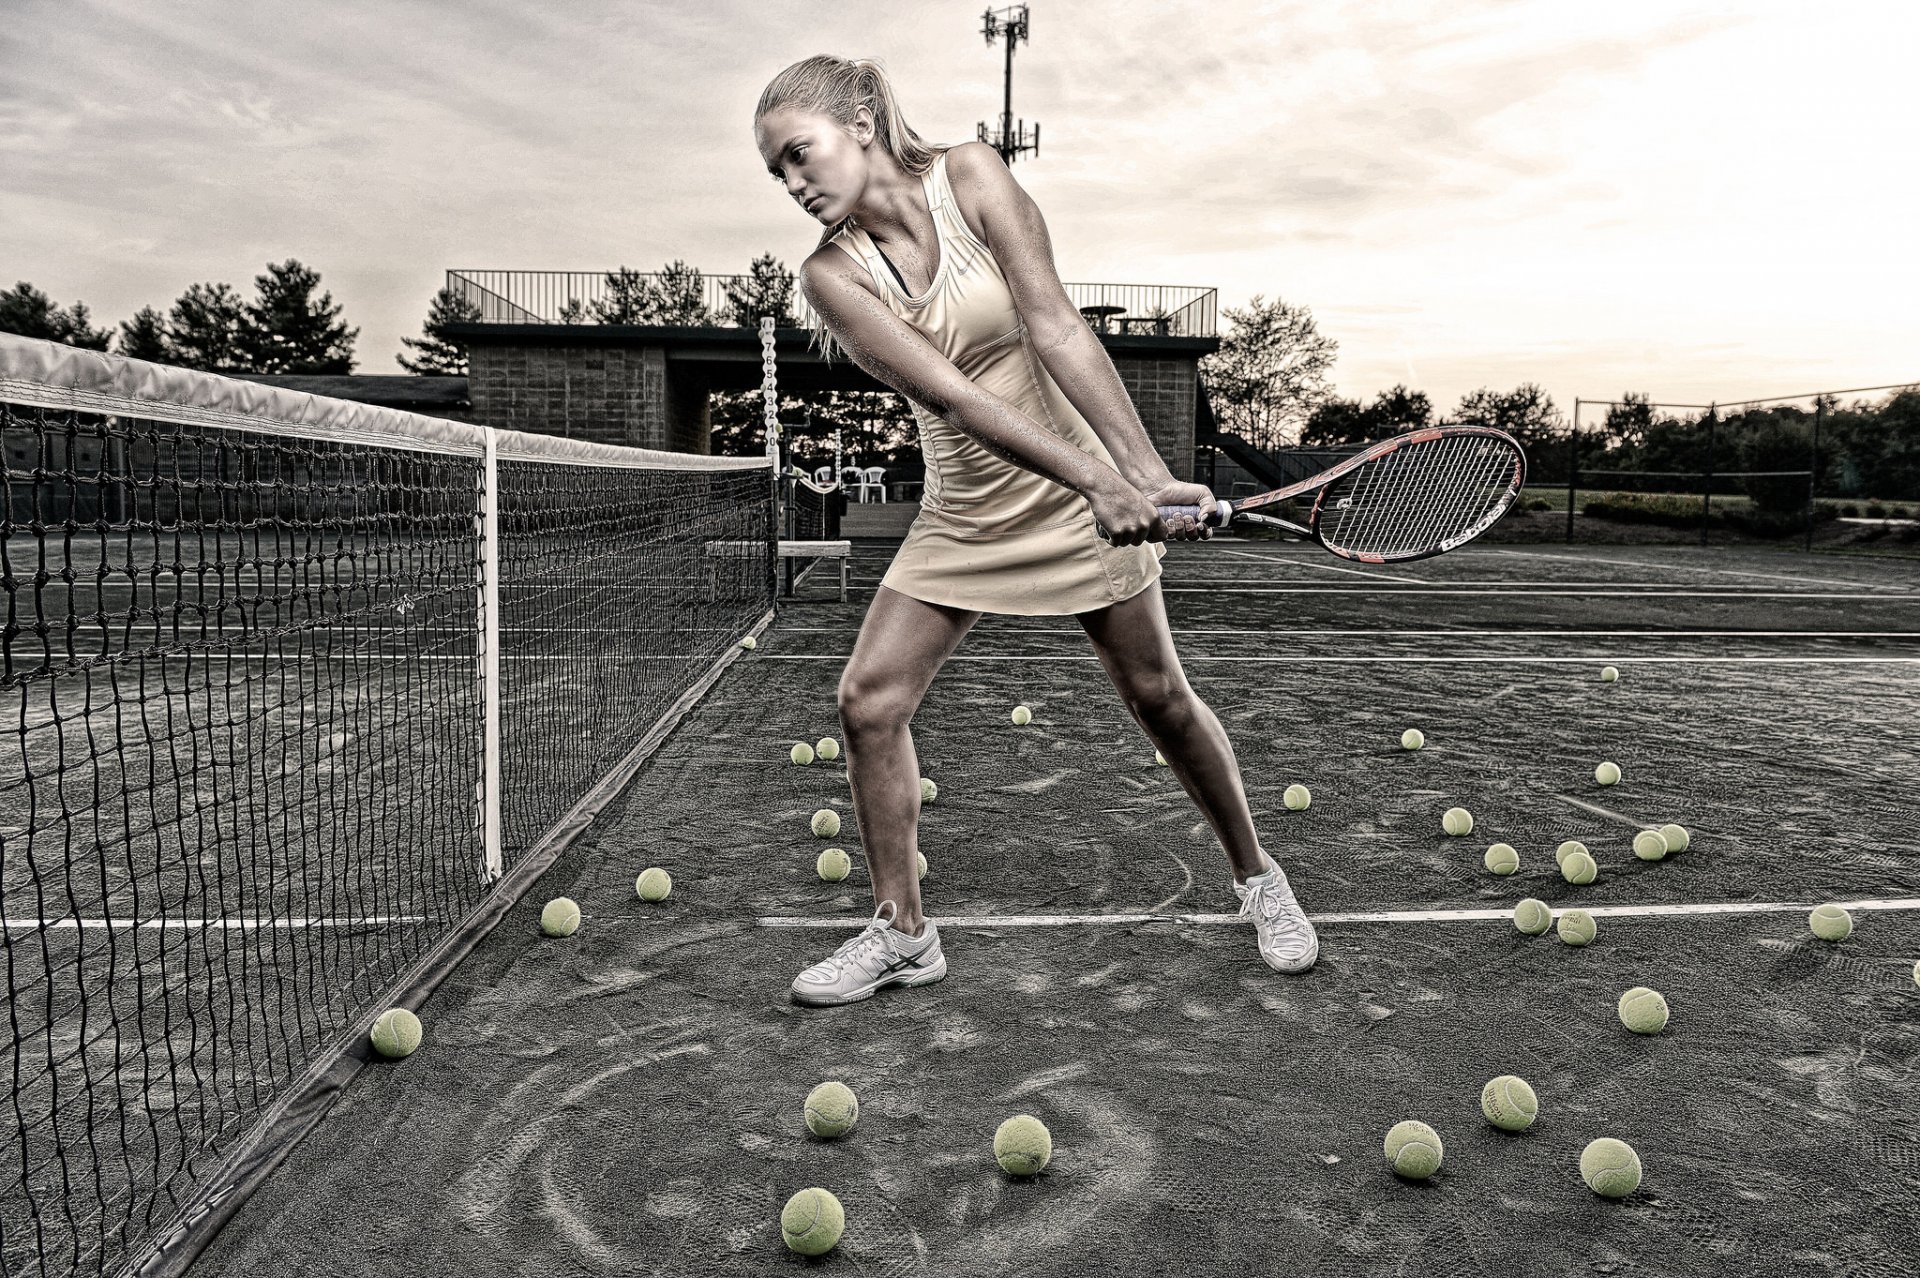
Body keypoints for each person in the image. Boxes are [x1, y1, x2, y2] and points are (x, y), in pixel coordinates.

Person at [753, 55, 1316, 1007]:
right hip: (968, 510)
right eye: (778, 173)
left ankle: (1260, 879)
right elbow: (954, 397)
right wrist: (1102, 478)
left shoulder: (972, 174)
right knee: (867, 702)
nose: (795, 184)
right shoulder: (829, 275)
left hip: (1074, 497)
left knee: (1160, 700)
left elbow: (1056, 325)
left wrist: (1138, 474)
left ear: (858, 119)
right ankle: (903, 931)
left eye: (799, 155)